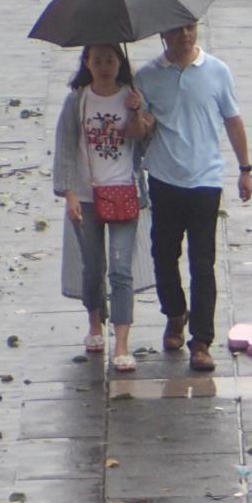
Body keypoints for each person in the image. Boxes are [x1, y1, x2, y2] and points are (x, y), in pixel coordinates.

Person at [133, 22, 252, 372]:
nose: (186, 35)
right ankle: (174, 313)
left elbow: (232, 120)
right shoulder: (147, 77)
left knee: (203, 262)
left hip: (205, 180)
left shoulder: (216, 71)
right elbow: (139, 132)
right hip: (164, 177)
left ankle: (201, 340)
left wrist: (245, 168)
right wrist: (137, 112)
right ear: (163, 35)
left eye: (191, 27)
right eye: (177, 29)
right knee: (163, 253)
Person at [52, 45, 154, 371]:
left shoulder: (131, 95)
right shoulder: (77, 101)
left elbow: (142, 139)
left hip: (124, 191)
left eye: (110, 59)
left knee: (121, 270)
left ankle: (122, 345)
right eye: (98, 60)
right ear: (87, 63)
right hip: (86, 195)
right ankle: (95, 324)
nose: (104, 66)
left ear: (120, 62)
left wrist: (137, 112)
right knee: (92, 266)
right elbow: (66, 147)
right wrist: (68, 193)